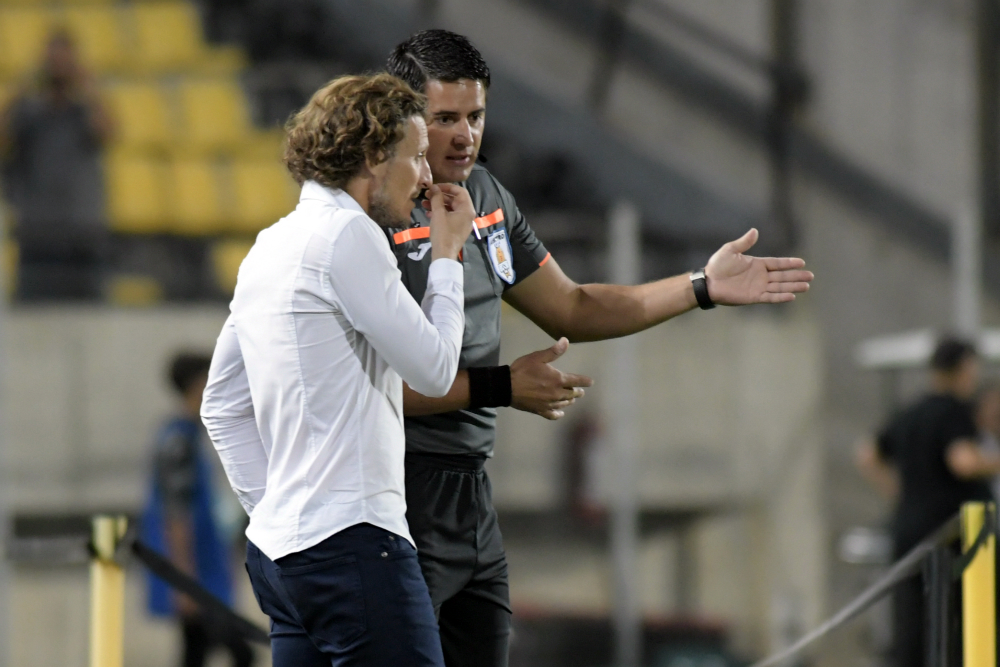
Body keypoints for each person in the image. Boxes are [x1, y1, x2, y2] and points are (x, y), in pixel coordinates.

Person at [384, 29, 814, 667]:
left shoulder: (487, 201)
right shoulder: (369, 217)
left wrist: (701, 286)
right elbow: (372, 386)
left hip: (472, 499)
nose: (464, 135)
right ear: (404, 118)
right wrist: (501, 386)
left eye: (474, 116)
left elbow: (574, 307)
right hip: (395, 494)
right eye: (444, 118)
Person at [200, 73, 477, 666]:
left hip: (282, 559)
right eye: (417, 157)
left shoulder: (269, 246)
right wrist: (449, 256)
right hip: (353, 546)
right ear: (375, 157)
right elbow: (432, 370)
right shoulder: (350, 234)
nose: (427, 176)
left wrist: (279, 512)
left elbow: (220, 403)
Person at [857, 338, 1000, 667]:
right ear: (963, 369)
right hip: (950, 536)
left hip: (908, 530)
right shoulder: (954, 412)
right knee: (958, 625)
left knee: (911, 626)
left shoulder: (910, 412)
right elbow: (963, 461)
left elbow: (867, 455)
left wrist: (899, 492)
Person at [141, 352, 254, 667]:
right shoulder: (178, 441)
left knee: (195, 652)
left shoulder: (192, 435)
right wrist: (184, 583)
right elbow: (176, 515)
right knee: (239, 651)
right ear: (197, 385)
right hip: (196, 574)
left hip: (205, 571)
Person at [0, 29, 113, 301]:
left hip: (81, 232)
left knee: (89, 319)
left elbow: (109, 133)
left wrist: (89, 88)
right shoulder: (28, 113)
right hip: (37, 231)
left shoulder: (83, 112)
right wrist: (23, 86)